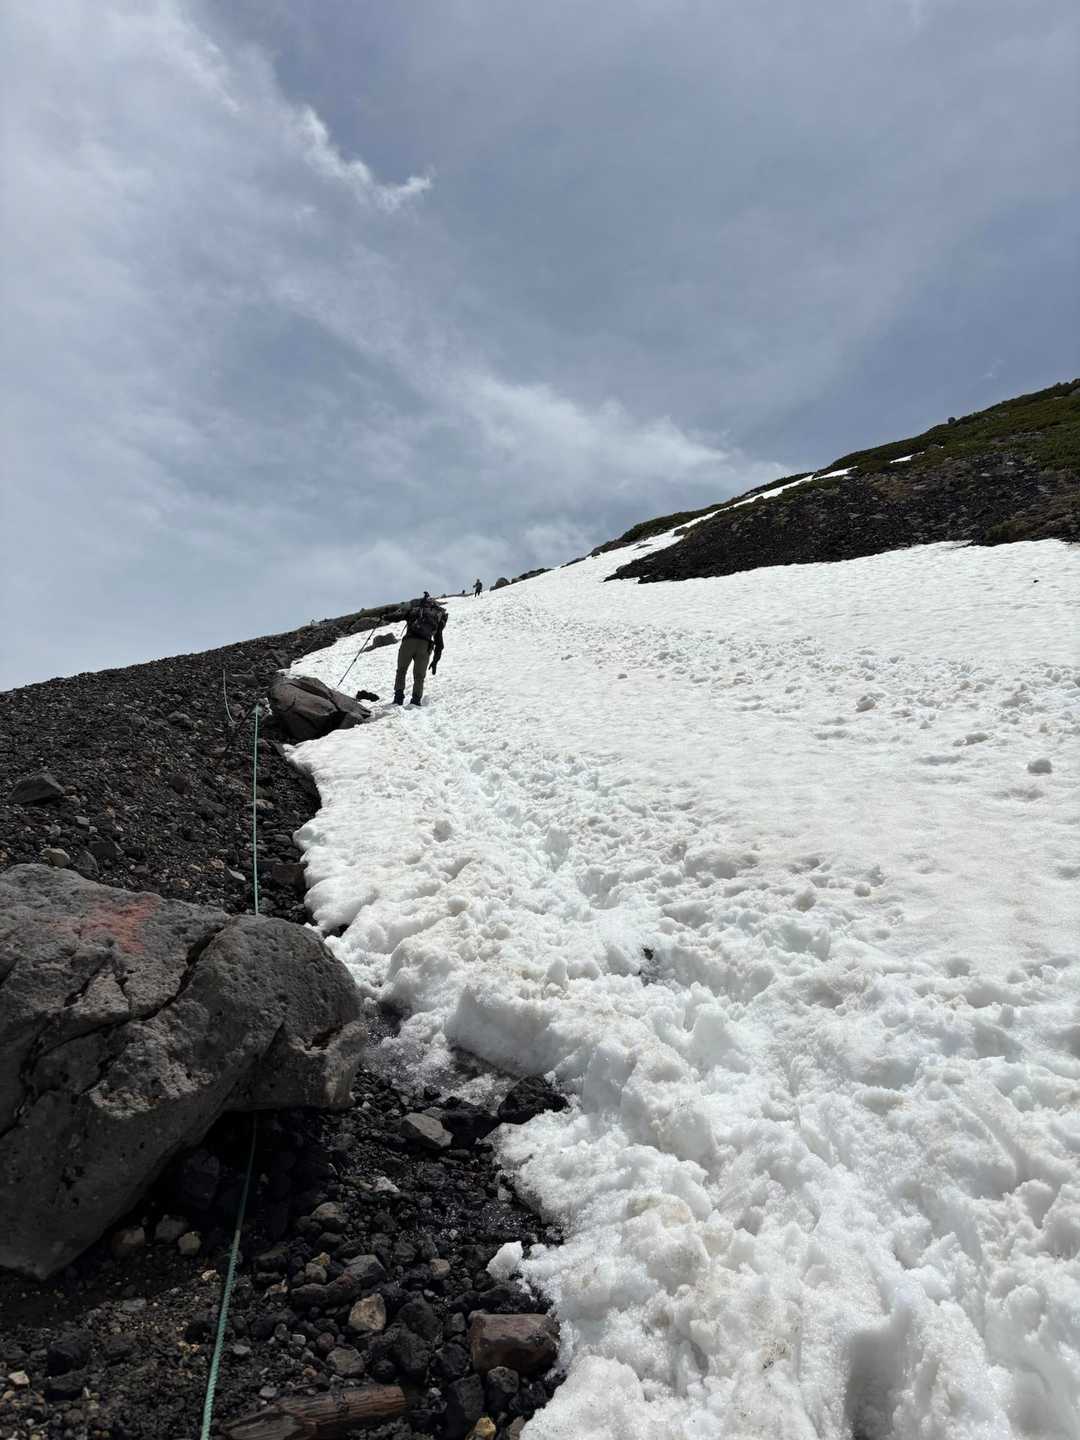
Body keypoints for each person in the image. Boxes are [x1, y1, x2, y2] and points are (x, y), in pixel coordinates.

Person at [394, 592, 447, 706]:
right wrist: (435, 660)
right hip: (425, 646)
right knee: (419, 676)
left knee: (401, 670)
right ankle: (416, 700)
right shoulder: (436, 617)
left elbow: (397, 617)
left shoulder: (415, 610)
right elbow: (439, 642)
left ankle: (398, 697)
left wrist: (384, 616)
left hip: (408, 643)